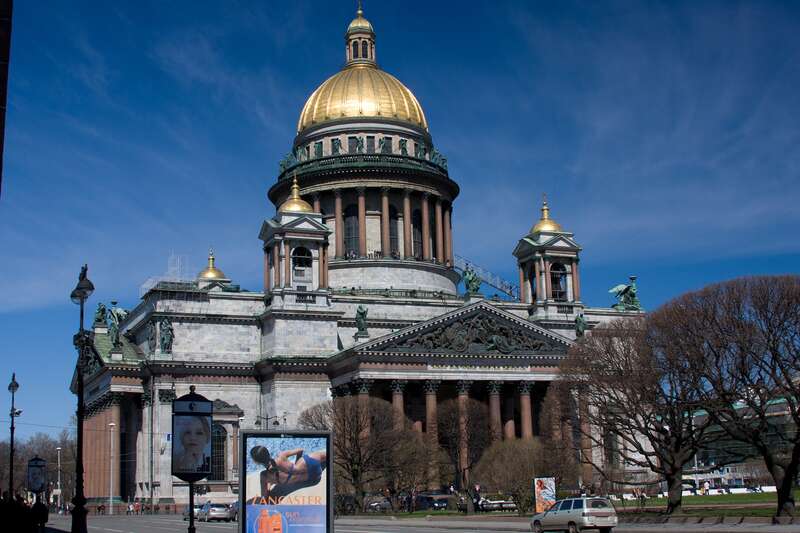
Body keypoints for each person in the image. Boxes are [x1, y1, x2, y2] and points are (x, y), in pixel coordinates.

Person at [251, 445, 327, 498]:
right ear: (268, 453)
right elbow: (300, 450)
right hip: (311, 464)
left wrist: (268, 484)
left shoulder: (264, 476)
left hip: (314, 477)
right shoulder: (281, 456)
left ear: (256, 462)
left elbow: (265, 496)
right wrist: (297, 462)